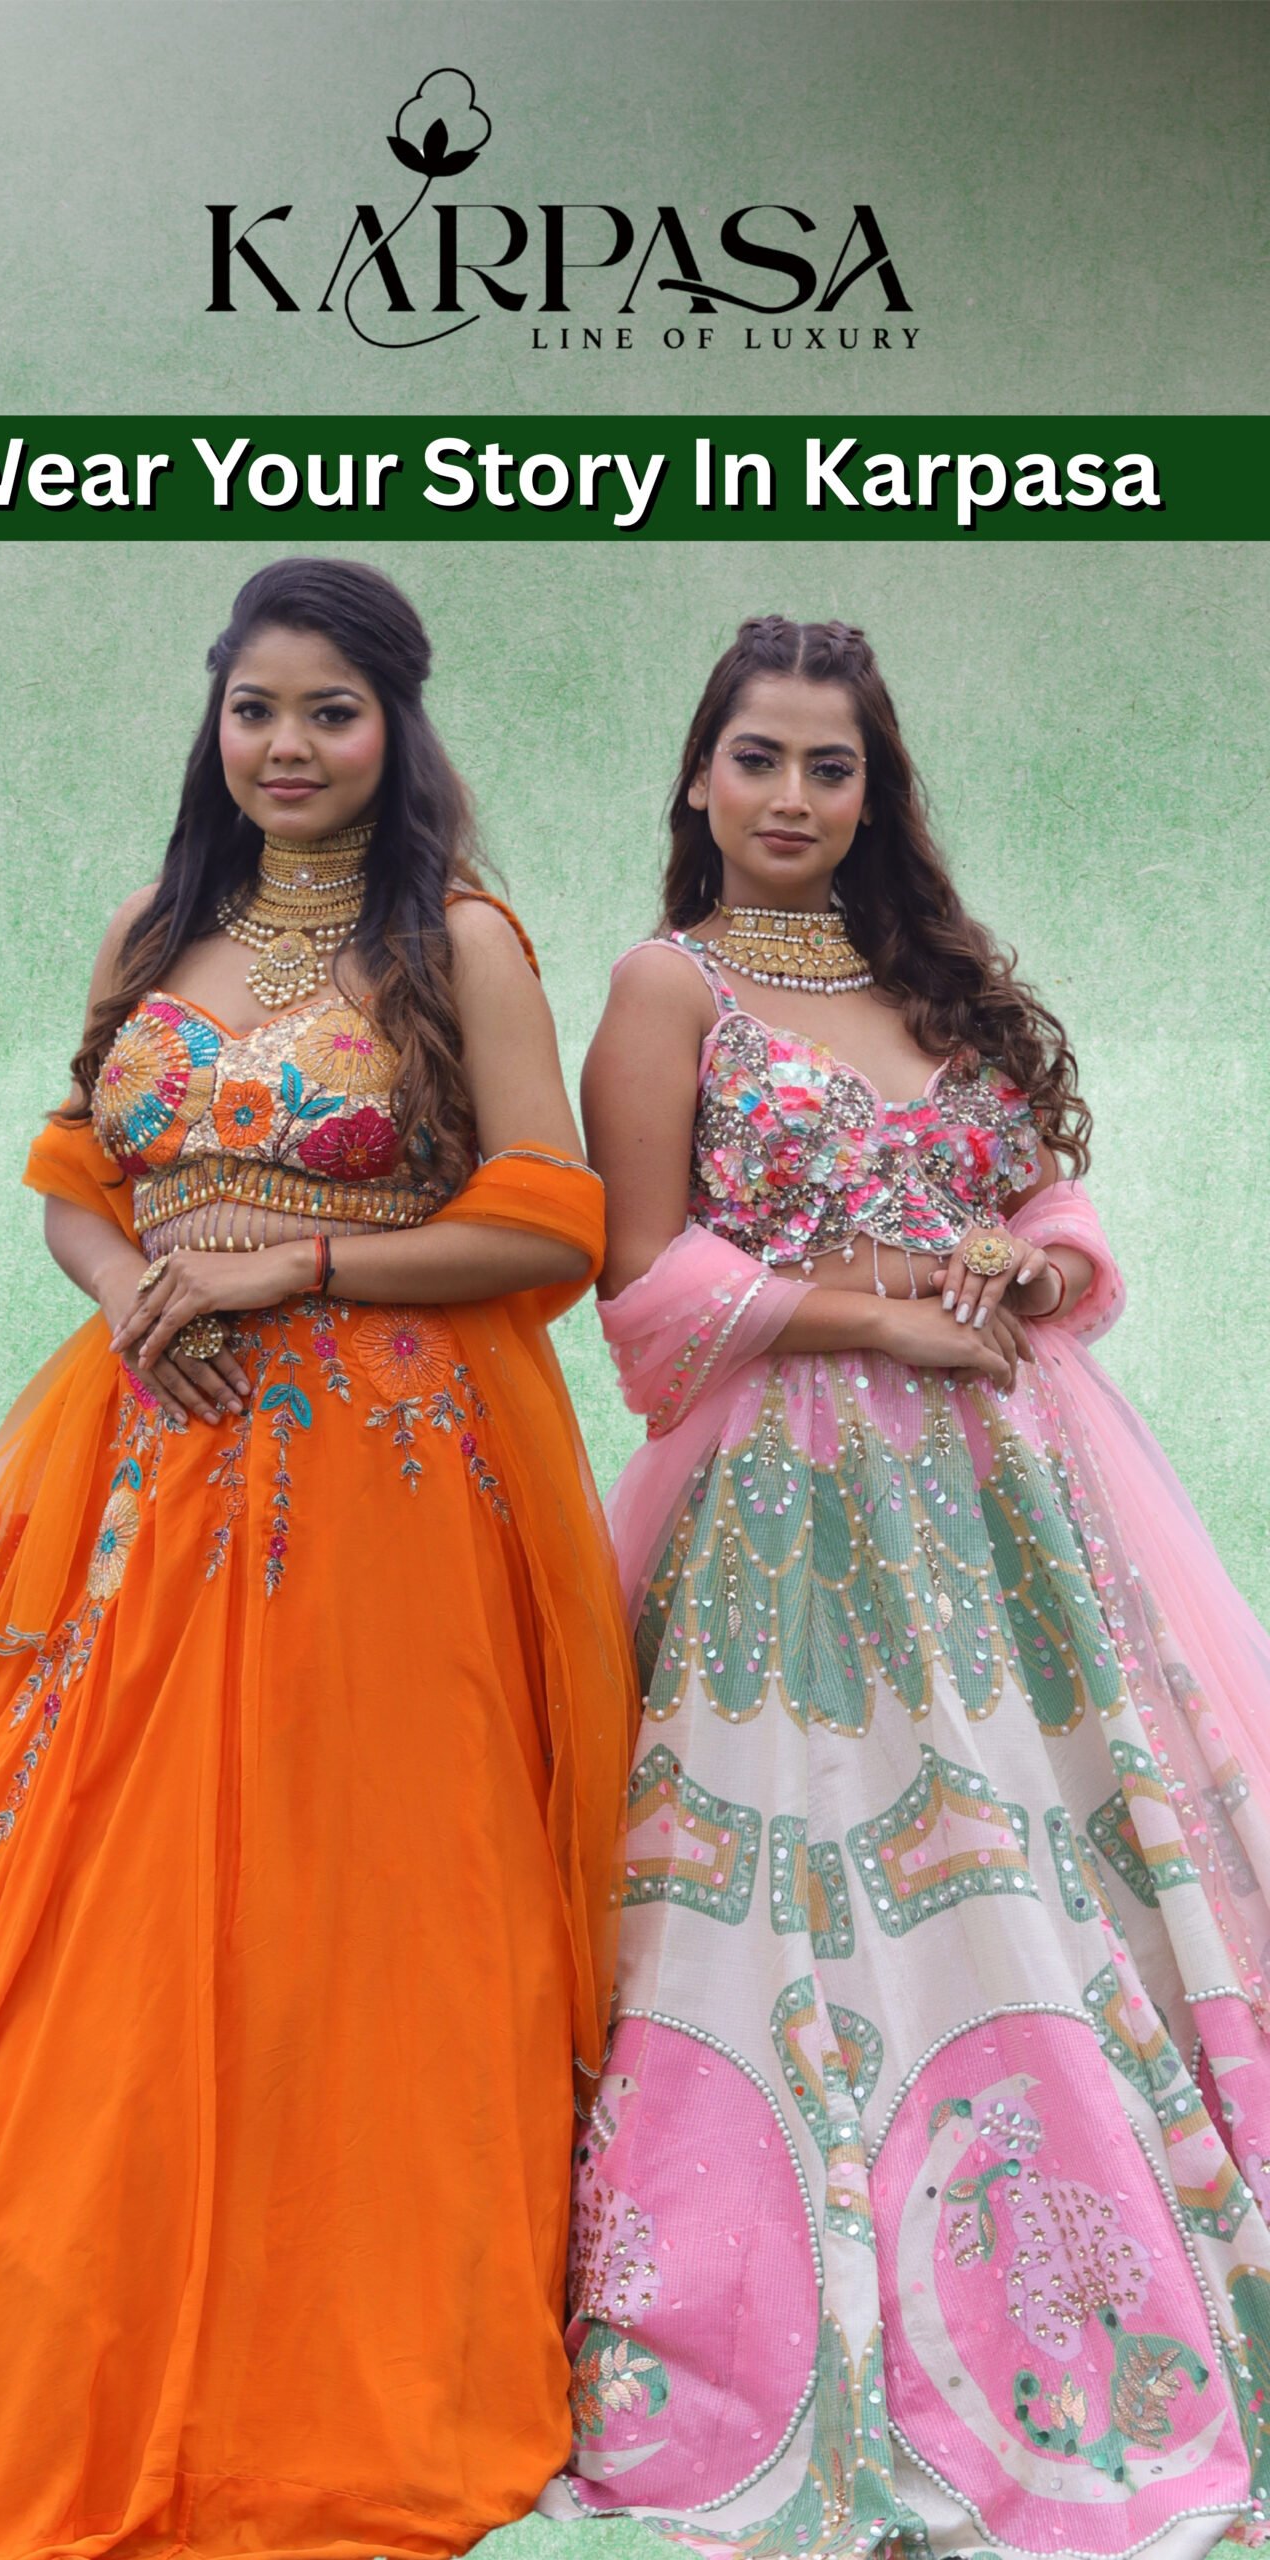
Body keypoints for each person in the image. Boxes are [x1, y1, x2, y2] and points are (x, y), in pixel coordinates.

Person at [0, 558, 636, 2560]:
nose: (287, 746)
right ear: (216, 720)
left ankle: (325, 2347)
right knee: (44, 1878)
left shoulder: (458, 942)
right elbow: (76, 1179)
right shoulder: (154, 926)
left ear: (396, 728)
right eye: (255, 707)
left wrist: (300, 1263)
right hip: (144, 1473)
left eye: (330, 711)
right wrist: (130, 1289)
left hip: (374, 1489)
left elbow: (554, 1217)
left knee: (339, 1900)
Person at [548, 616, 1270, 2560]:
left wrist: (1037, 1266)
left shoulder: (935, 980)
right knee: (823, 1885)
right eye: (759, 757)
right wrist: (879, 1314)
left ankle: (1127, 2268)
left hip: (1024, 1490)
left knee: (1071, 1855)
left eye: (830, 763)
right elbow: (642, 1283)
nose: (792, 795)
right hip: (787, 1513)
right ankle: (791, 2310)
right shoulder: (667, 985)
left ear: (875, 791)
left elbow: (1049, 1198)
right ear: (697, 776)